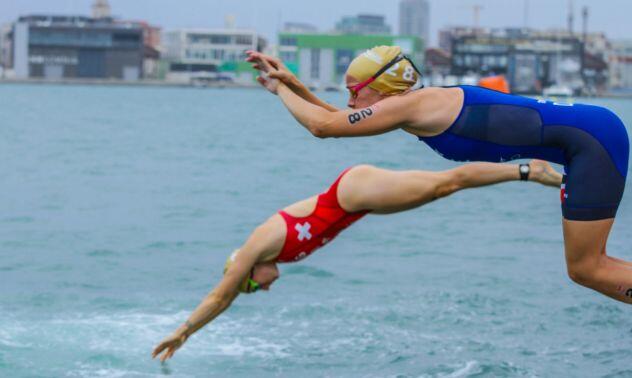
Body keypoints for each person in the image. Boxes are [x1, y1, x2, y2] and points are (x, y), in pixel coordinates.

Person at [246, 46, 632, 304]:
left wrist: (280, 90)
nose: (349, 102)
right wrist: (294, 84)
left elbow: (324, 127)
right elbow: (338, 120)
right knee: (586, 268)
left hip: (590, 142)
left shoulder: (414, 106)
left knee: (586, 268)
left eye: (354, 92)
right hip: (588, 139)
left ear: (379, 87)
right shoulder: (412, 107)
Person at [152, 160, 562, 361]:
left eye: (256, 285)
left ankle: (528, 170)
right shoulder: (272, 256)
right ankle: (527, 171)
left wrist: (183, 332)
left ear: (245, 271)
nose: (265, 287)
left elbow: (221, 297)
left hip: (352, 192)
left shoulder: (254, 247)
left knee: (444, 184)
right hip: (359, 205)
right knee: (443, 188)